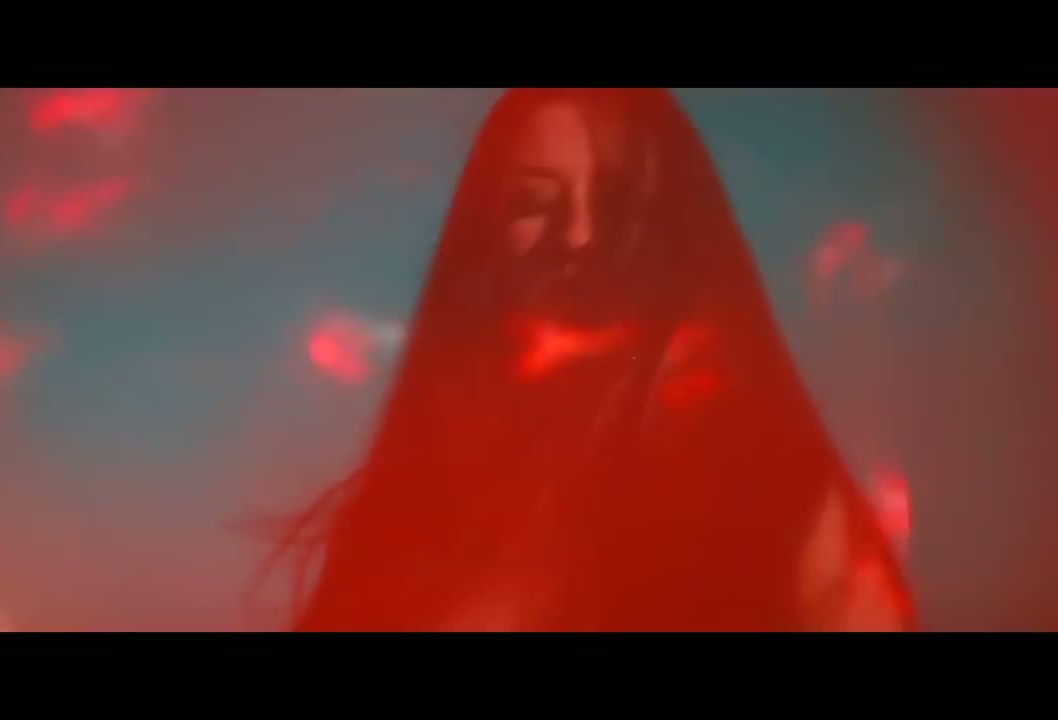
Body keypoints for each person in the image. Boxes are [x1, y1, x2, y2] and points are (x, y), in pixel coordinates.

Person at [250, 88, 917, 631]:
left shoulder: (789, 518)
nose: (578, 237)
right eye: (533, 203)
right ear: (483, 246)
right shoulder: (415, 526)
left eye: (620, 204)